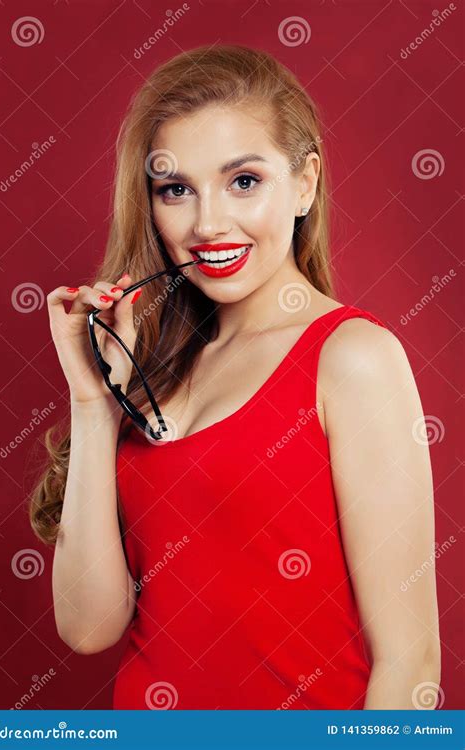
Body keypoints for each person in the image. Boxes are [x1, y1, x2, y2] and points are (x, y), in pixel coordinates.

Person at [31, 45, 440, 710]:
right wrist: (93, 400)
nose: (208, 224)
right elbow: (87, 628)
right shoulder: (154, 359)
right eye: (176, 190)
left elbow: (411, 661)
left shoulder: (353, 359)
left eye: (243, 181)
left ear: (305, 183)